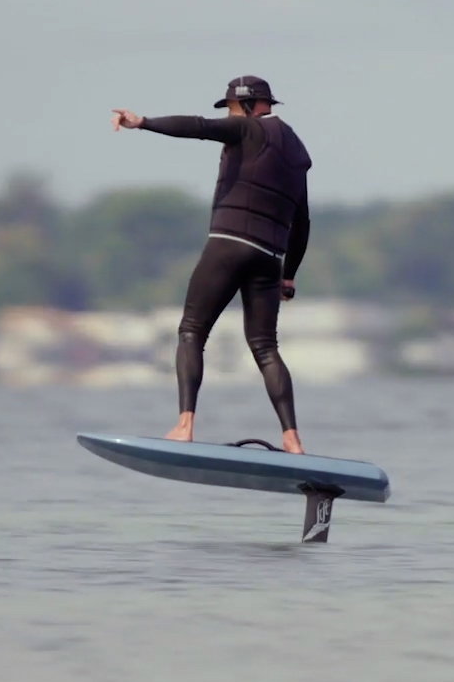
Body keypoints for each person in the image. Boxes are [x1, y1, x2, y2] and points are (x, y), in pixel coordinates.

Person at [110, 76, 312, 453]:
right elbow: (302, 221)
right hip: (270, 256)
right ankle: (292, 438)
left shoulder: (247, 129)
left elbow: (199, 127)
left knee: (191, 331)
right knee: (265, 346)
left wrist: (144, 123)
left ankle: (184, 426)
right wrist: (289, 275)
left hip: (229, 244)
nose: (231, 115)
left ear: (248, 106)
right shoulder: (296, 151)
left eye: (233, 107)